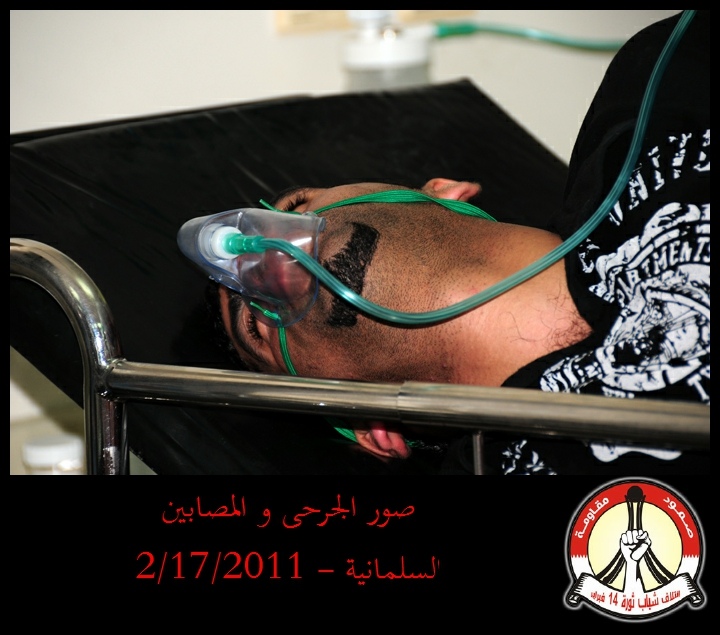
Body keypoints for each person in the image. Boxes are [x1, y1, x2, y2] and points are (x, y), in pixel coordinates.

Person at [204, 10, 709, 474]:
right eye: (252, 323)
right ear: (374, 430)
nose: (260, 261)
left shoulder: (662, 87)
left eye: (294, 207)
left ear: (444, 193)